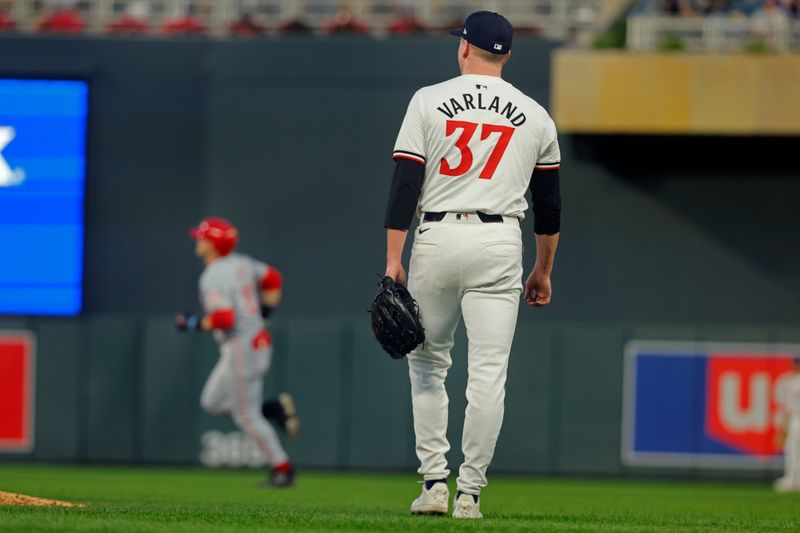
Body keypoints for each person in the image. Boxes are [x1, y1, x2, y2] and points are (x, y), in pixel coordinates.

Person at [383, 11, 562, 519]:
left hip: (437, 236)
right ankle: (470, 495)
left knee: (427, 366)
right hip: (500, 240)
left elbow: (404, 187)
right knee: (487, 375)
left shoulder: (428, 100)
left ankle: (434, 483)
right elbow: (549, 208)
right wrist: (542, 269)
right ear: (505, 54)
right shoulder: (536, 114)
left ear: (465, 48)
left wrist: (394, 259)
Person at [176, 216, 299, 488]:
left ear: (213, 243)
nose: (198, 240)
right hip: (249, 340)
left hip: (242, 344)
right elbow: (273, 279)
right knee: (212, 401)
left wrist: (192, 323)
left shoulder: (212, 275)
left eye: (202, 237)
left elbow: (223, 319)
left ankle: (283, 470)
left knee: (246, 416)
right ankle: (271, 409)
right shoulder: (242, 263)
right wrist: (264, 315)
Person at [775, 358, 800, 492]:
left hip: (798, 416)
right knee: (790, 447)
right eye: (794, 364)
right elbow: (782, 405)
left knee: (795, 446)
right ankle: (791, 478)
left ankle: (795, 479)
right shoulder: (785, 380)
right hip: (791, 418)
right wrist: (782, 425)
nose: (795, 366)